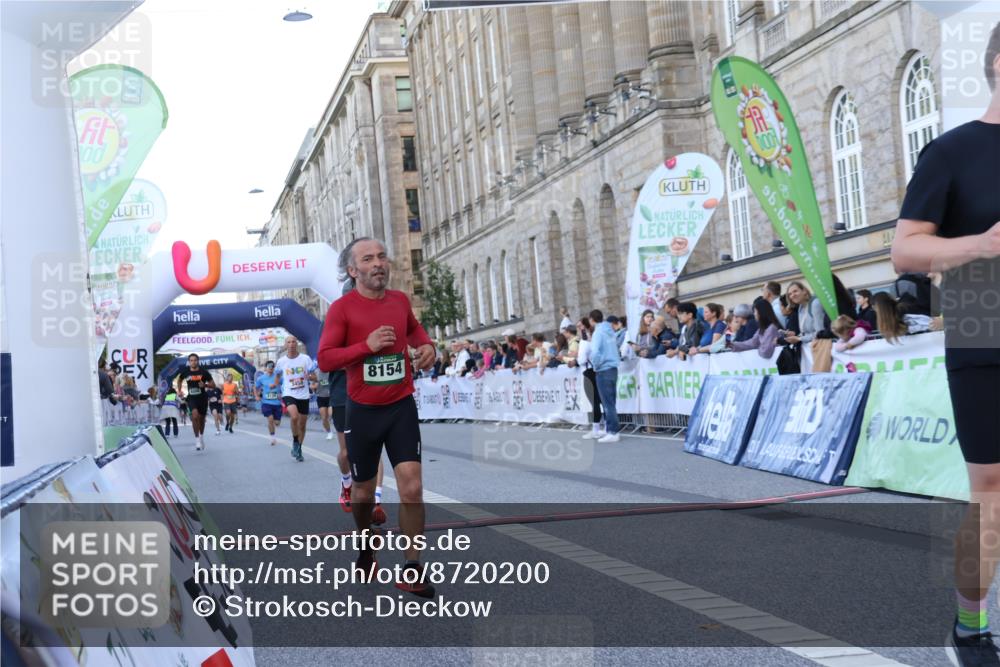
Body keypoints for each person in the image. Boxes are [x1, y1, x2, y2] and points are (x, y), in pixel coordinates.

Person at [891, 22, 1000, 663]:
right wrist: (983, 245)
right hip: (985, 322)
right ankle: (970, 626)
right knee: (991, 490)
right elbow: (905, 249)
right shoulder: (952, 152)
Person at [317, 237, 437, 597]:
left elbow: (413, 330)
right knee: (363, 493)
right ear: (353, 271)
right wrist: (364, 348)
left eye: (382, 256)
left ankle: (412, 567)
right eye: (368, 259)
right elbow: (325, 359)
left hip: (401, 404)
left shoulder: (399, 301)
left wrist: (428, 345)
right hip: (363, 411)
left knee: (412, 488)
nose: (378, 263)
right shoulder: (342, 310)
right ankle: (366, 543)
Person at [272, 335, 317, 462]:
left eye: (293, 342)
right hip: (288, 393)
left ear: (296, 344)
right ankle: (295, 441)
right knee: (294, 417)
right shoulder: (281, 361)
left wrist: (308, 376)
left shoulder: (305, 359)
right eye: (288, 342)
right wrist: (277, 387)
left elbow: (315, 377)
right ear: (286, 345)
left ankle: (298, 448)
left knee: (302, 425)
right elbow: (277, 377)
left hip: (303, 394)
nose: (291, 344)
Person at [587, 310, 620, 443]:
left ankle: (613, 431)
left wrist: (596, 365)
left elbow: (595, 352)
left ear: (591, 319)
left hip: (603, 368)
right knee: (611, 401)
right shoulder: (610, 331)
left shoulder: (598, 332)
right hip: (613, 368)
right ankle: (610, 429)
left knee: (607, 403)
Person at [175, 353, 214, 451]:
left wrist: (205, 385)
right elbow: (179, 380)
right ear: (189, 362)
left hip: (203, 398)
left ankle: (201, 437)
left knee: (201, 420)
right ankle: (197, 439)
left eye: (195, 360)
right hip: (192, 398)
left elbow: (213, 385)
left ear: (198, 361)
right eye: (191, 360)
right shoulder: (185, 372)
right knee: (195, 416)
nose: (193, 362)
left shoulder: (204, 372)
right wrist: (179, 390)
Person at [255, 361, 283, 446]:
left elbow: (285, 385)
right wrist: (256, 395)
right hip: (266, 402)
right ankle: (272, 438)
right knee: (270, 418)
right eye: (269, 367)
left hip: (277, 403)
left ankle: (274, 426)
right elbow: (256, 387)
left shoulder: (278, 377)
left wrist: (282, 394)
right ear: (265, 368)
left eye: (272, 367)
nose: (271, 368)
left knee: (277, 423)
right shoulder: (261, 378)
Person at [313, 367, 334, 441]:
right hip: (321, 397)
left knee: (330, 414)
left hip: (331, 396)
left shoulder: (332, 370)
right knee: (324, 418)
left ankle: (334, 421)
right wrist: (314, 386)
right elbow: (312, 385)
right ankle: (329, 432)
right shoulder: (316, 372)